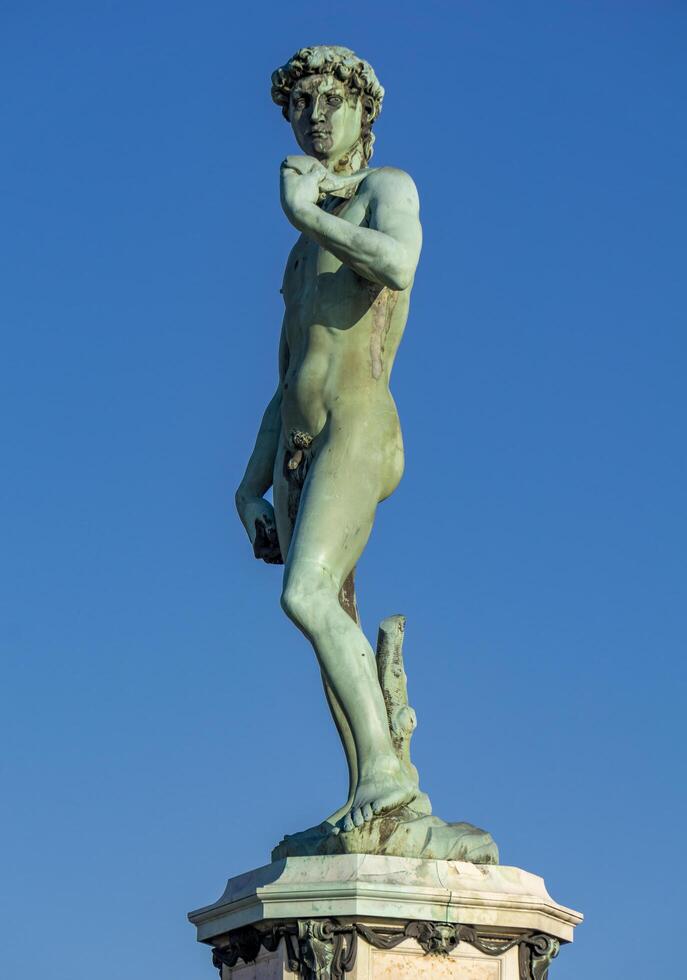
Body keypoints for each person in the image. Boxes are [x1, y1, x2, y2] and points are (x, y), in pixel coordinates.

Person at [235, 46, 422, 833]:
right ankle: (369, 794)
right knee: (326, 620)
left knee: (304, 596)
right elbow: (286, 374)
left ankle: (386, 776)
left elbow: (400, 264)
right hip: (301, 442)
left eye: (328, 101)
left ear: (361, 114)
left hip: (359, 422)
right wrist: (248, 484)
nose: (313, 116)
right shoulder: (298, 248)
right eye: (299, 105)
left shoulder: (384, 190)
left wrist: (309, 212)